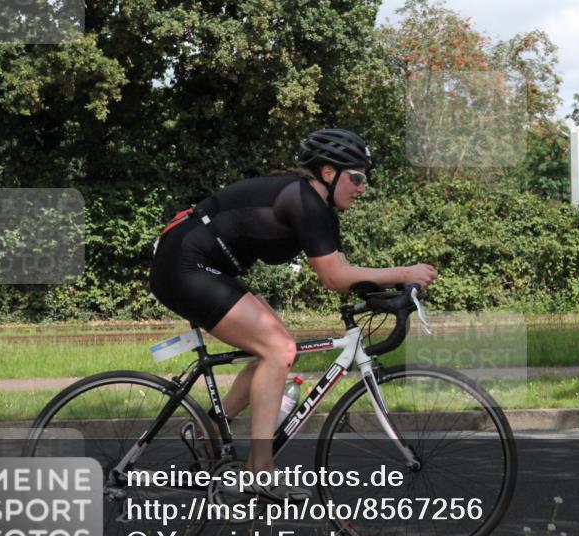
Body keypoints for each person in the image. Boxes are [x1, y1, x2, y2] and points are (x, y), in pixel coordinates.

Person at [149, 129, 437, 499]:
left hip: (198, 263)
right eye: (357, 176)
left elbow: (343, 271)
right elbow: (334, 278)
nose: (363, 187)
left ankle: (208, 429)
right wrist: (403, 273)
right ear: (329, 173)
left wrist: (389, 292)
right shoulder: (304, 200)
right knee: (279, 349)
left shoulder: (318, 207)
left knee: (277, 351)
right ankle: (261, 471)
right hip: (186, 263)